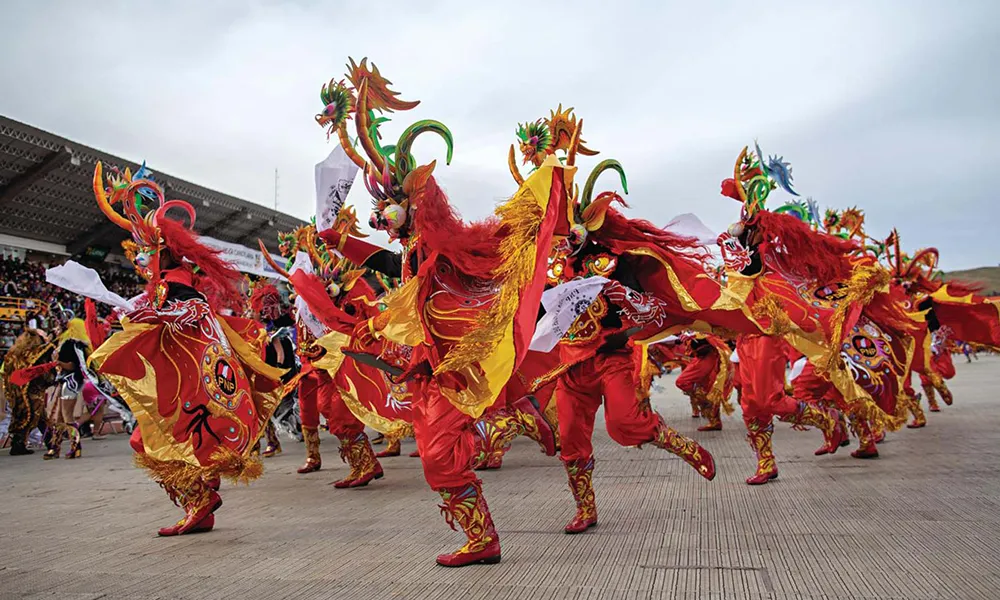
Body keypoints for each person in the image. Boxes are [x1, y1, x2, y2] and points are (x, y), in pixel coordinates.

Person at [88, 162, 284, 536]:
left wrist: (157, 311)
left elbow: (194, 308)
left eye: (145, 252)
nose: (140, 261)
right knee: (154, 441)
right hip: (179, 384)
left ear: (161, 251)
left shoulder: (176, 280)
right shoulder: (163, 286)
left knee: (149, 441)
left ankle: (201, 500)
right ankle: (201, 501)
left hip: (189, 387)